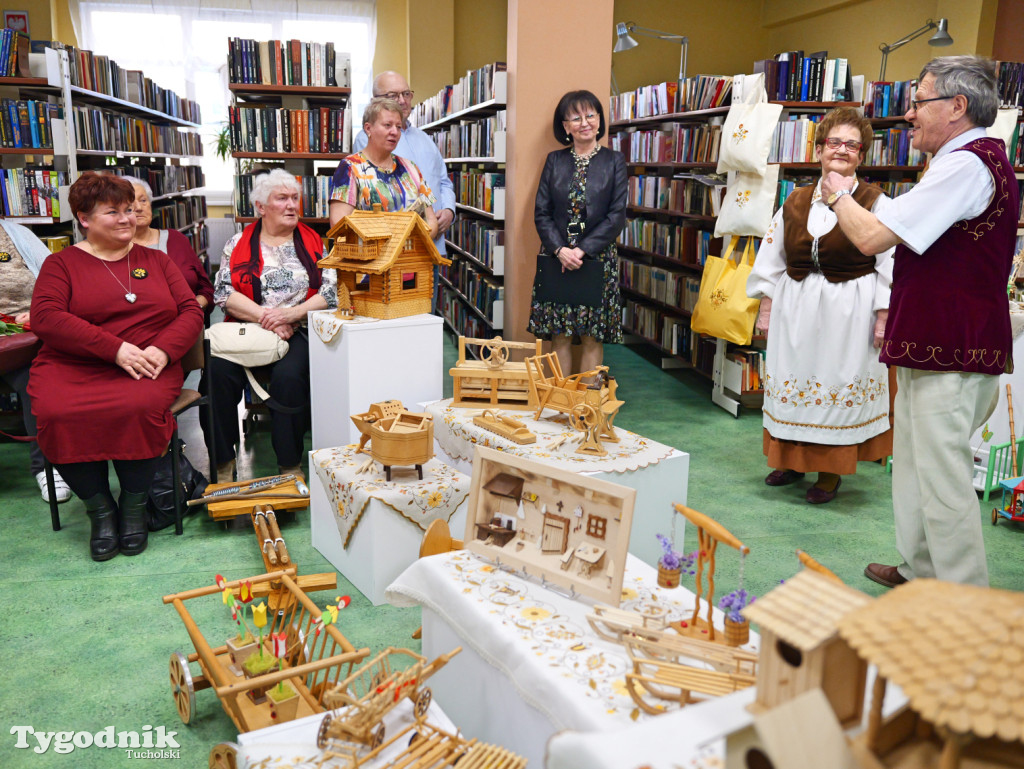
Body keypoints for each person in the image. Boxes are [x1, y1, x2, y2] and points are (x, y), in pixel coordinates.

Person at [821, 55, 1019, 588]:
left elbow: (870, 237)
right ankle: (921, 570)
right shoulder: (966, 161)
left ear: (956, 107)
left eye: (918, 103)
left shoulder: (967, 165)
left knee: (942, 476)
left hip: (952, 347)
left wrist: (838, 194)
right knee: (913, 467)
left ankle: (960, 596)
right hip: (938, 343)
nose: (908, 115)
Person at [28, 172, 204, 561]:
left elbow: (190, 311)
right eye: (113, 212)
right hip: (73, 366)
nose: (128, 218)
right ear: (84, 218)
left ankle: (133, 509)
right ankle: (100, 511)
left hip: (147, 365)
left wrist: (163, 350)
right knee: (56, 412)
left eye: (130, 209)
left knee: (138, 408)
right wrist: (115, 349)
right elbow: (46, 317)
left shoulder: (157, 260)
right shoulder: (62, 264)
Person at [747, 107, 895, 505]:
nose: (842, 150)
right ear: (819, 150)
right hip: (796, 313)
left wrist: (884, 315)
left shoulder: (875, 202)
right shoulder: (794, 201)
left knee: (835, 389)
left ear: (862, 155)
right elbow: (771, 259)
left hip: (849, 316)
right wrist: (766, 307)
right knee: (793, 386)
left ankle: (829, 473)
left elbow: (890, 266)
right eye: (834, 142)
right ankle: (791, 461)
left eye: (851, 144)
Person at [209, 168, 337, 482]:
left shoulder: (315, 243)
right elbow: (223, 292)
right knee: (215, 373)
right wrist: (268, 319)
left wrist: (291, 316)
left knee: (290, 375)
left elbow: (332, 292)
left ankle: (289, 464)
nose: (292, 204)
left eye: (295, 197)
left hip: (299, 329)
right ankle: (223, 462)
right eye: (282, 198)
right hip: (246, 329)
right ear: (262, 207)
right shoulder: (237, 242)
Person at [530, 89, 627, 376]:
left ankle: (587, 407)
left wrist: (582, 250)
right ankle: (558, 406)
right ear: (565, 126)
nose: (584, 122)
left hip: (596, 258)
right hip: (556, 256)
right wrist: (560, 250)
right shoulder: (554, 161)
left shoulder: (614, 161)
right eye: (575, 117)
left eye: (590, 115)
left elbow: (616, 215)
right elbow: (542, 212)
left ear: (599, 120)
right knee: (559, 333)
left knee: (591, 334)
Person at [0, 221, 72, 503]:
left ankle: (46, 467)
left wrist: (39, 312)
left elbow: (59, 280)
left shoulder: (17, 234)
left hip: (23, 339)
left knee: (37, 380)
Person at [351, 71, 455, 252]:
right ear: (375, 101)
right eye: (393, 96)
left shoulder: (426, 139)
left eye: (406, 94)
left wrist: (448, 210)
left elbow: (444, 181)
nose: (402, 100)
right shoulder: (368, 139)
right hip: (394, 250)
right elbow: (373, 193)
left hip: (433, 246)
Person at [329, 97, 439, 240]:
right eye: (388, 125)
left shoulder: (411, 168)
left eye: (398, 127)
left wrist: (410, 244)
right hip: (369, 259)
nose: (394, 132)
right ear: (368, 128)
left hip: (410, 257)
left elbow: (431, 221)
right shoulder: (349, 167)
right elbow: (339, 226)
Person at [130, 178, 214, 315]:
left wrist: (192, 310)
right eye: (130, 203)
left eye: (143, 200)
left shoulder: (177, 240)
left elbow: (207, 290)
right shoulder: (116, 250)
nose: (138, 207)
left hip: (187, 322)